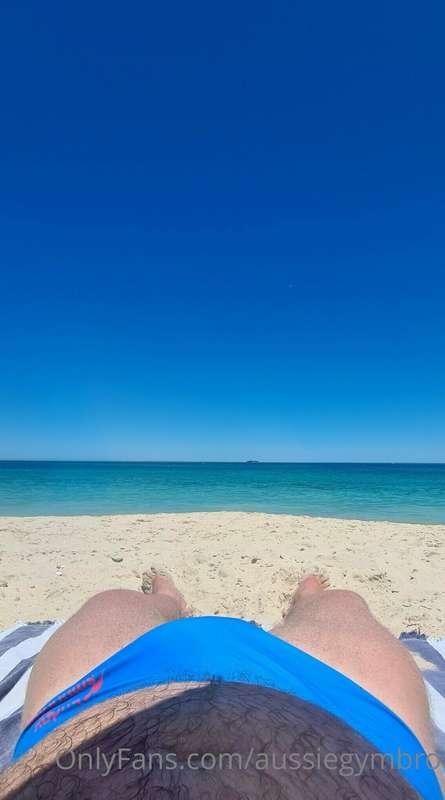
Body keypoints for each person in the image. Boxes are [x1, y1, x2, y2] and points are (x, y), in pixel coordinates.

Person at [1, 572, 443, 799]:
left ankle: (167, 599)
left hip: (101, 693)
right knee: (341, 605)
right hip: (350, 710)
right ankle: (305, 598)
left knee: (113, 603)